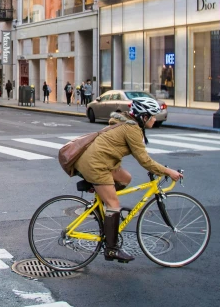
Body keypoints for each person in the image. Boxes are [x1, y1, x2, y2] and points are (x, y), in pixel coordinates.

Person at [70, 98, 182, 262]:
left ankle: (103, 204)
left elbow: (113, 148)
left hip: (100, 161)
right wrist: (167, 171)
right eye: (152, 116)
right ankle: (112, 249)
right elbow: (144, 160)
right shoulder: (132, 129)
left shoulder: (127, 123)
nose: (154, 119)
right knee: (114, 204)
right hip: (96, 164)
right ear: (143, 116)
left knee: (125, 178)